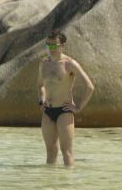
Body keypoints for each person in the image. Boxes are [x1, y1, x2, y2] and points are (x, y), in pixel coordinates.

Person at [38, 29, 94, 167]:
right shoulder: (43, 63)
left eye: (54, 45)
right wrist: (41, 100)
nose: (51, 49)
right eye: (48, 45)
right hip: (48, 111)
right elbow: (40, 85)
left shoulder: (69, 64)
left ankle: (68, 186)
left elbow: (90, 87)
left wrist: (78, 107)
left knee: (66, 151)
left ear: (62, 46)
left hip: (64, 111)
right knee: (50, 152)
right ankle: (50, 185)